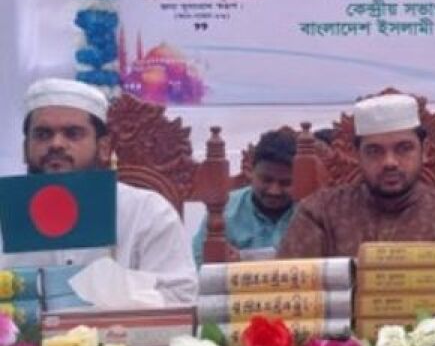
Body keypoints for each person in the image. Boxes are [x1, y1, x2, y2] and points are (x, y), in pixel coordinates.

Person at [0, 78, 197, 305]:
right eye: (43, 134)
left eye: (73, 133)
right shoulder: (5, 213)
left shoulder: (148, 212)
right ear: (25, 149)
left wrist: (112, 294)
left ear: (103, 148)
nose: (56, 144)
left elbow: (180, 298)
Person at [277, 93, 435, 258]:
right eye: (374, 151)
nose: (389, 162)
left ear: (424, 150)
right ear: (357, 155)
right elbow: (294, 285)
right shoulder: (319, 213)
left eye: (404, 148)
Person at [192, 129, 298, 264]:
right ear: (250, 172)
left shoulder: (311, 212)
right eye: (266, 180)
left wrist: (244, 258)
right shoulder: (225, 210)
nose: (274, 191)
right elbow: (199, 260)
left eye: (285, 183)